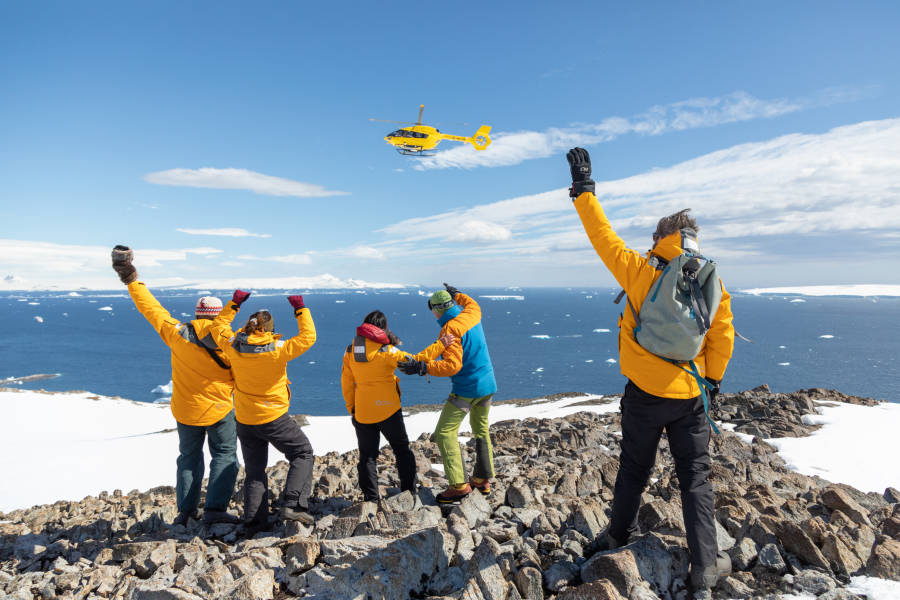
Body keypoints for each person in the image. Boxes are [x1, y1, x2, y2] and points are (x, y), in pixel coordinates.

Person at [566, 147, 735, 592]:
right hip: (690, 397)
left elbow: (602, 236)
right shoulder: (711, 282)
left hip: (643, 394)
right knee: (695, 480)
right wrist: (712, 381)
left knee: (635, 468)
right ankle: (704, 570)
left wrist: (584, 189)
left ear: (662, 237)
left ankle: (618, 533)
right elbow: (722, 336)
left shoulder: (642, 270)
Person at [110, 245, 239, 526]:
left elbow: (150, 307)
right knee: (225, 454)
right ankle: (216, 510)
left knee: (188, 458)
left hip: (185, 410)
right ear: (219, 315)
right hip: (219, 409)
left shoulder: (176, 332)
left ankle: (186, 512)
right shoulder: (228, 340)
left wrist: (130, 277)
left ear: (198, 313)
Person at [207, 289, 317, 532]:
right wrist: (300, 308)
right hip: (273, 417)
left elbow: (218, 326)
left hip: (245, 419)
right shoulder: (278, 349)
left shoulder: (233, 345)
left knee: (255, 471)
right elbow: (308, 337)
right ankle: (293, 505)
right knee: (303, 453)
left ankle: (254, 521)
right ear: (269, 329)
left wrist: (234, 303)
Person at [340, 310, 457, 501]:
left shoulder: (351, 351)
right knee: (402, 450)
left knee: (367, 457)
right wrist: (441, 345)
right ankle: (408, 493)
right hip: (388, 409)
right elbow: (416, 361)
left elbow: (346, 381)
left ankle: (371, 499)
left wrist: (352, 407)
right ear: (384, 329)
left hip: (363, 411)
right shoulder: (387, 352)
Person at [398, 284, 497, 504]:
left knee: (444, 433)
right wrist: (457, 294)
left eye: (432, 310)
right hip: (487, 384)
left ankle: (459, 486)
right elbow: (472, 303)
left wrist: (425, 368)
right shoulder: (471, 314)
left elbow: (452, 365)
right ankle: (481, 479)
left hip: (467, 389)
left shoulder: (450, 329)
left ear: (436, 310)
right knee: (481, 429)